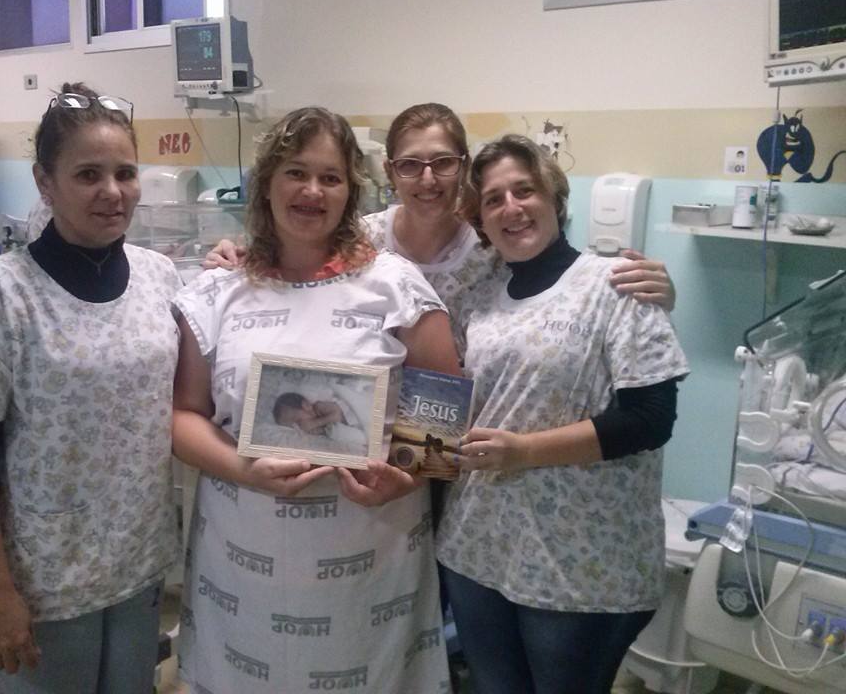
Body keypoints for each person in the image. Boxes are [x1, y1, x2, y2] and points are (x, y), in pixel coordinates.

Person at [172, 106, 461, 693]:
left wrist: (406, 476)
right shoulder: (218, 292)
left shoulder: (395, 286)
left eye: (330, 177)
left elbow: (445, 411)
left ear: (351, 191)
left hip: (368, 561)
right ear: (266, 184)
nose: (312, 191)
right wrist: (241, 468)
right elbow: (183, 415)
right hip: (242, 562)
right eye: (296, 173)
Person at [0, 83, 182, 694]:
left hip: (136, 564)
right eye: (88, 175)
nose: (112, 192)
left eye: (125, 173)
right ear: (44, 183)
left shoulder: (160, 278)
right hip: (38, 582)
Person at [436, 135, 690, 694]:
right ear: (481, 221)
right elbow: (446, 402)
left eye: (524, 190)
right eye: (494, 199)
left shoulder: (616, 284)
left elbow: (650, 418)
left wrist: (524, 451)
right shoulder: (477, 300)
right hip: (476, 548)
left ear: (554, 197)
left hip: (580, 564)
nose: (511, 208)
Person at [205, 101, 677, 355]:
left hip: (471, 432)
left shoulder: (494, 246)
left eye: (443, 163)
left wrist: (654, 291)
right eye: (411, 165)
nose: (428, 180)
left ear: (463, 166)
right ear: (390, 173)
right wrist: (235, 255)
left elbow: (562, 282)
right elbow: (294, 256)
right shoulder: (360, 241)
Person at [273, 392, 368, 446]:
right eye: (293, 426)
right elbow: (329, 431)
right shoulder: (310, 428)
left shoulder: (319, 406)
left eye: (297, 420)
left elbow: (337, 415)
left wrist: (315, 423)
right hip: (355, 427)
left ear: (306, 405)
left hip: (355, 414)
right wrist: (320, 430)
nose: (300, 426)